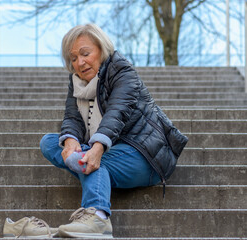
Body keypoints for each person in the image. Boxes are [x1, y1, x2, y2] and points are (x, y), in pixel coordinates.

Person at [39, 23, 188, 239]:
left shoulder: (122, 71)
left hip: (145, 153)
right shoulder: (77, 82)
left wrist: (96, 149)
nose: (79, 63)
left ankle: (97, 217)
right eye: (73, 58)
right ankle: (93, 169)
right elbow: (72, 118)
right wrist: (70, 140)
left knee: (92, 160)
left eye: (85, 54)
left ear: (102, 48)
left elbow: (116, 113)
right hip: (110, 151)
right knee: (49, 142)